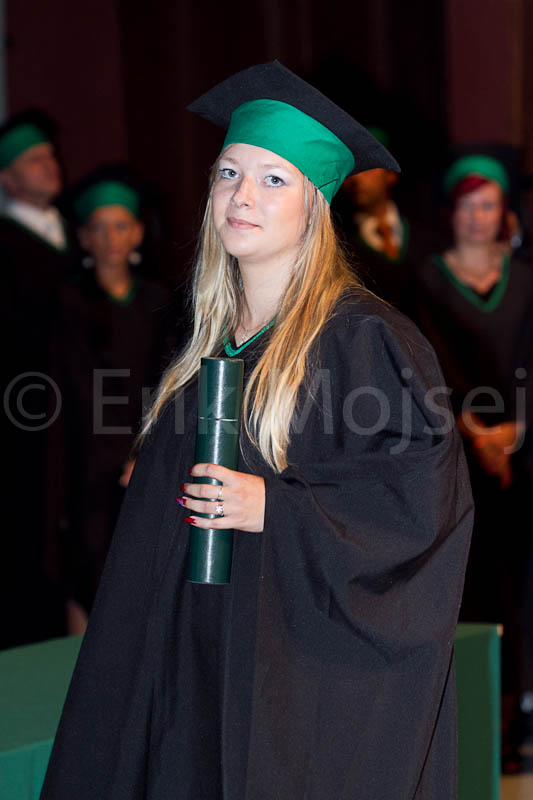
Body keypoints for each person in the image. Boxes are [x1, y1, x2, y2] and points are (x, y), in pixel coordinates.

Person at [41, 61, 473, 800]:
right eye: (229, 173)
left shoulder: (363, 341)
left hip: (294, 690)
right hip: (193, 668)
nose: (242, 195)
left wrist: (275, 507)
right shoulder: (203, 348)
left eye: (274, 180)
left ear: (315, 207)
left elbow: (418, 512)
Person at [414, 154, 533, 773]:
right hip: (453, 456)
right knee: (472, 589)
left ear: (504, 212)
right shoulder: (425, 282)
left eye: (488, 204)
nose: (478, 217)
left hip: (525, 455)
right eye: (467, 205)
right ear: (450, 212)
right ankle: (472, 725)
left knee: (523, 591)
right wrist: (475, 432)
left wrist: (516, 430)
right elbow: (424, 367)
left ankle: (515, 724)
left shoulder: (528, 280)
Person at [49, 175, 176, 633]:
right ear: (83, 237)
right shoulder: (69, 301)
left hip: (146, 457)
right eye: (99, 228)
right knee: (89, 567)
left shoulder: (158, 300)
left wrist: (146, 452)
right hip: (88, 460)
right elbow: (77, 390)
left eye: (121, 226)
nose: (111, 239)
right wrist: (115, 455)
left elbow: (167, 381)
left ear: (138, 232)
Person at [0, 110, 77, 648]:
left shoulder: (83, 233)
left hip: (83, 418)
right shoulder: (4, 247)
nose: (50, 165)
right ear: (7, 178)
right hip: (25, 422)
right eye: (33, 159)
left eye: (50, 154)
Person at [333, 128, 442, 320]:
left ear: (390, 174)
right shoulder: (340, 247)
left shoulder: (429, 239)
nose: (357, 179)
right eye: (350, 172)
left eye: (367, 170)